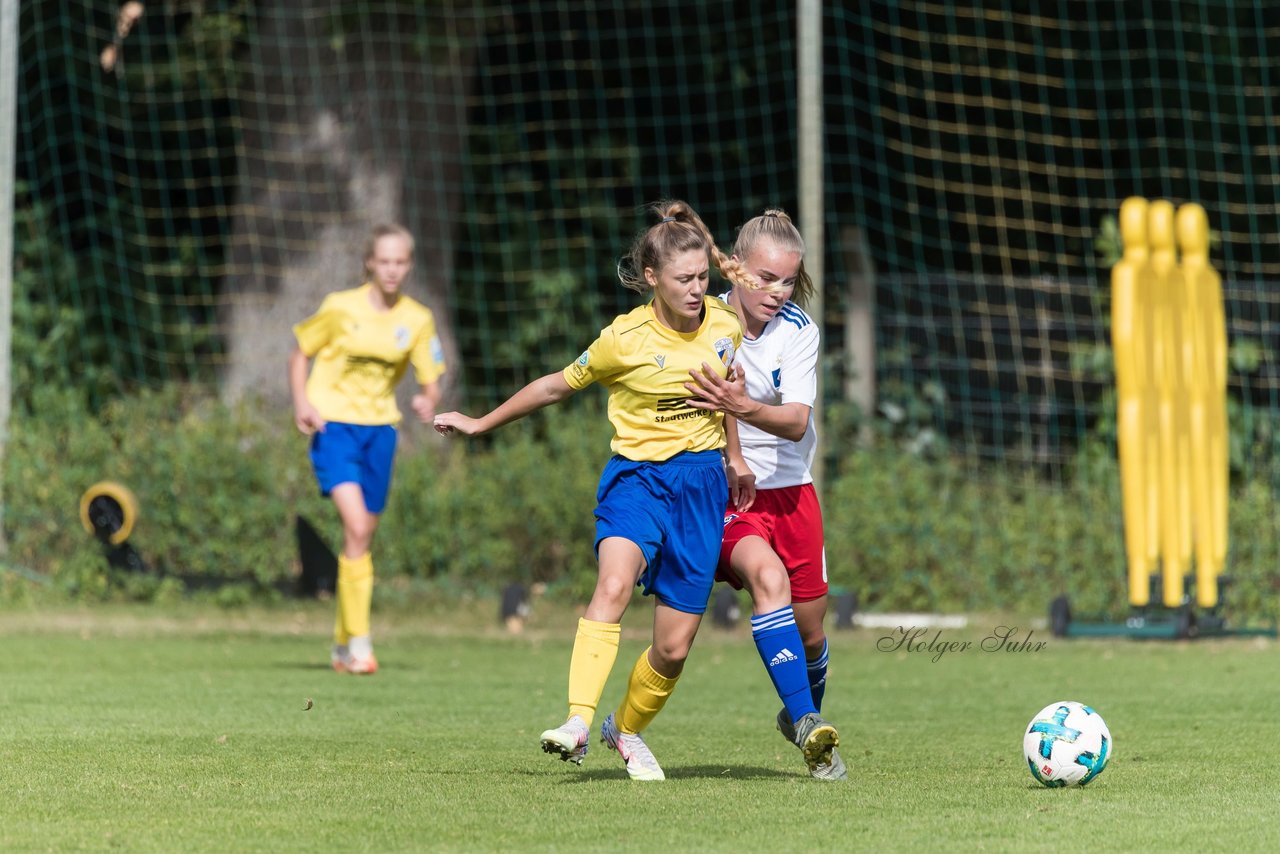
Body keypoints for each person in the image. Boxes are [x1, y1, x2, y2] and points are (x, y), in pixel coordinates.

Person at [433, 201, 834, 781]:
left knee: (676, 649)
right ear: (653, 279)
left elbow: (728, 399)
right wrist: (479, 423)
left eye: (702, 278)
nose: (697, 290)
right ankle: (576, 721)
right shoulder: (623, 339)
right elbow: (553, 386)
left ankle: (623, 729)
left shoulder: (726, 329)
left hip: (707, 492)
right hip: (639, 481)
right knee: (616, 582)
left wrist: (736, 454)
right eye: (684, 279)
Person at [685, 208, 846, 780]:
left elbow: (798, 422)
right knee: (767, 581)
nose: (776, 292)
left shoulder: (800, 330)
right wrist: (731, 451)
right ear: (735, 270)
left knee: (812, 634)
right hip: (734, 496)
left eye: (787, 280)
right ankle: (809, 728)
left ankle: (801, 710)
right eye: (764, 278)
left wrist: (743, 405)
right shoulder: (704, 322)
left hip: (794, 493)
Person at [288, 223, 446, 675]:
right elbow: (300, 351)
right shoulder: (340, 308)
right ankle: (360, 644)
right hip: (334, 426)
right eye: (385, 261)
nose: (392, 269)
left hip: (381, 432)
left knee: (360, 539)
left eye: (400, 262)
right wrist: (301, 401)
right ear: (370, 263)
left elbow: (430, 380)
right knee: (356, 527)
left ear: (408, 266)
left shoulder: (417, 318)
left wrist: (426, 399)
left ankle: (340, 645)